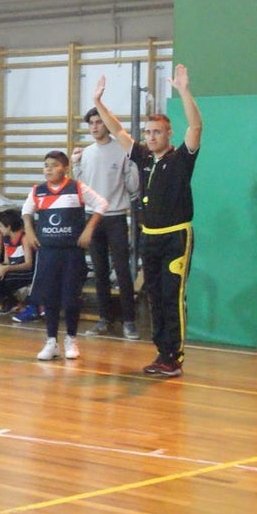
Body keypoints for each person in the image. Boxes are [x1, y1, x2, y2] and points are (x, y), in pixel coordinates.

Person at [92, 65, 201, 378]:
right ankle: (162, 353)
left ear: (169, 134)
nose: (151, 137)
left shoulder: (181, 159)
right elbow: (118, 131)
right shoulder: (141, 157)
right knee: (154, 297)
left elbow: (195, 127)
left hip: (175, 237)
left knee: (172, 296)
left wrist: (183, 90)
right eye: (149, 132)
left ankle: (175, 357)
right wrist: (99, 103)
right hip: (148, 237)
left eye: (157, 132)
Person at [22, 150, 108, 361]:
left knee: (70, 298)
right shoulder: (38, 191)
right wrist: (30, 231)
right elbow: (26, 211)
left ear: (65, 168)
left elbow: (102, 205)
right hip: (48, 253)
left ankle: (71, 339)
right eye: (45, 165)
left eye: (53, 165)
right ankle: (51, 341)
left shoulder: (77, 188)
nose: (48, 169)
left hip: (71, 253)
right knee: (49, 298)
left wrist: (88, 230)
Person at [73, 106, 141, 339]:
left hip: (116, 217)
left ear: (106, 125)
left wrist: (133, 166)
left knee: (122, 271)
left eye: (99, 122)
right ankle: (104, 319)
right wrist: (75, 165)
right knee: (99, 271)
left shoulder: (121, 150)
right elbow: (81, 187)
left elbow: (133, 188)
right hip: (92, 217)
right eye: (91, 123)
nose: (94, 126)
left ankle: (129, 321)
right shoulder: (87, 153)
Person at [0, 209, 36, 319]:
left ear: (8, 226)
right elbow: (7, 261)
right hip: (13, 270)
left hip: (26, 272)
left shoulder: (24, 238)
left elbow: (28, 264)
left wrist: (7, 268)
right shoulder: (6, 239)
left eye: (0, 226)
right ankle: (10, 302)